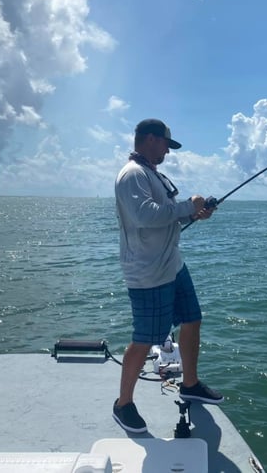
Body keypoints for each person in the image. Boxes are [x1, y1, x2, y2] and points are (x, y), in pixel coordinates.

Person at [112, 118, 223, 433]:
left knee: (192, 318)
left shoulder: (150, 173)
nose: (168, 152)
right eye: (165, 145)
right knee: (145, 338)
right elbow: (145, 216)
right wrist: (188, 206)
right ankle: (123, 405)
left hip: (172, 264)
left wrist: (193, 213)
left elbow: (164, 215)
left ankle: (190, 383)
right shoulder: (131, 175)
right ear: (150, 139)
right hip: (149, 272)